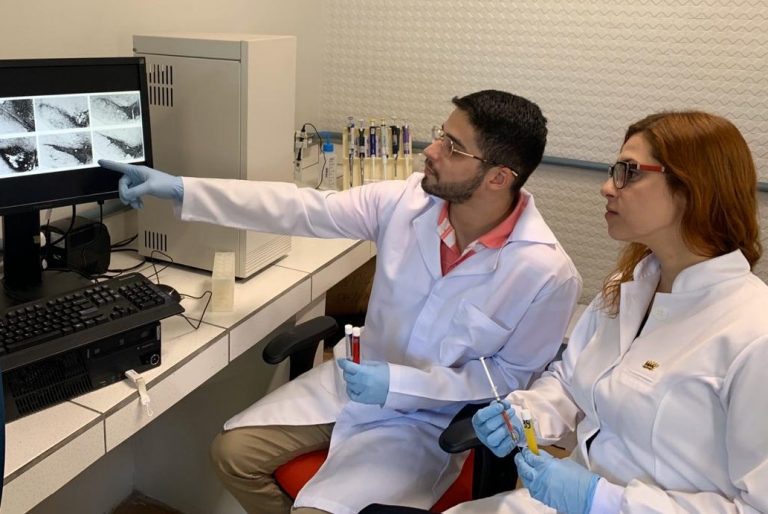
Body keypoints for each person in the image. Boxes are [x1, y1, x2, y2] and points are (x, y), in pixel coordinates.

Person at [100, 90, 581, 514]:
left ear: (498, 177)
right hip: (351, 384)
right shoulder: (404, 203)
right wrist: (183, 188)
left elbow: (508, 381)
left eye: (452, 147)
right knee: (232, 455)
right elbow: (300, 208)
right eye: (440, 134)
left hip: (424, 421)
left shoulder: (546, 273)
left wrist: (398, 384)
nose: (430, 152)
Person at [441, 111, 768, 514]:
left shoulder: (754, 334)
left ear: (693, 187)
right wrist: (526, 413)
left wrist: (602, 500)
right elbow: (571, 382)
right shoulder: (626, 289)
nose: (606, 187)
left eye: (628, 172)